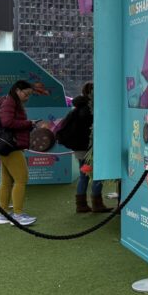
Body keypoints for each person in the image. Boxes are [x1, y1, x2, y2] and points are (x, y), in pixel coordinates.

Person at [0, 80, 45, 226]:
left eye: (29, 94)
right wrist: (29, 123)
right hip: (11, 145)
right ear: (17, 90)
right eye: (26, 94)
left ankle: (3, 214)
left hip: (5, 145)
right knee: (21, 179)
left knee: (7, 180)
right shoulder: (10, 102)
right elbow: (7, 122)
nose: (27, 97)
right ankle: (18, 215)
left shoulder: (7, 101)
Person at [60, 82, 109, 214]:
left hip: (80, 148)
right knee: (97, 175)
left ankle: (81, 205)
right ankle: (97, 203)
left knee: (84, 176)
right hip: (90, 149)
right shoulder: (91, 109)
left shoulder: (78, 107)